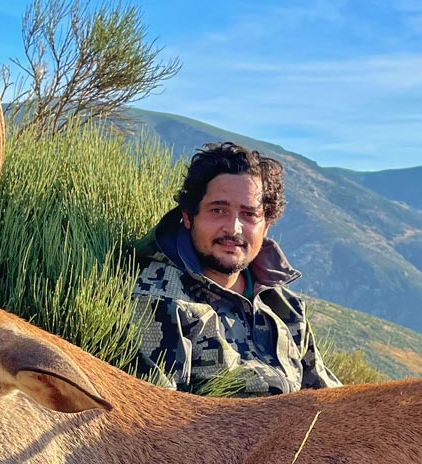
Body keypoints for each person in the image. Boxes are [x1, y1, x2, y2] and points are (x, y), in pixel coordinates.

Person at [132, 141, 341, 396]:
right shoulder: (161, 300)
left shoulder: (287, 309)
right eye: (218, 210)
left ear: (266, 227)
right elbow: (157, 416)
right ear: (188, 217)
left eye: (249, 215)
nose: (234, 228)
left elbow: (329, 401)